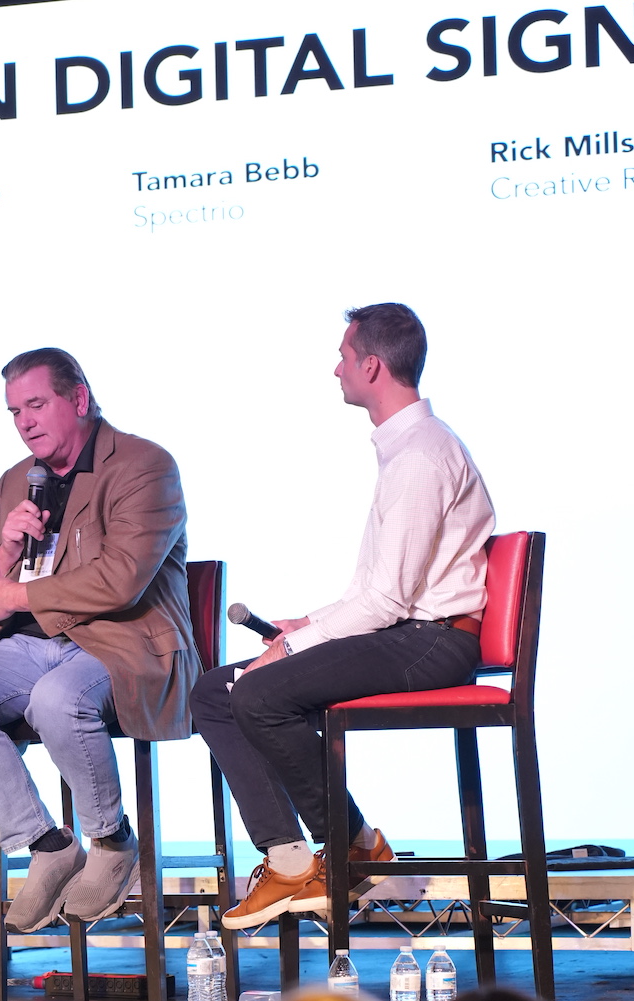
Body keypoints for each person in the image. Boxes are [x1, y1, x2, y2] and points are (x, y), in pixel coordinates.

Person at [192, 303, 496, 927]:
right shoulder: (405, 449)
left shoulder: (420, 456)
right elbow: (378, 589)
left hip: (433, 641)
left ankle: (353, 849)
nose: (336, 369)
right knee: (216, 692)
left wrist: (288, 650)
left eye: (343, 357)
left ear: (372, 365)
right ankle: (291, 862)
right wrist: (306, 626)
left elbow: (387, 602)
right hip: (409, 631)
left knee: (259, 693)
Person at [0, 348, 200, 932]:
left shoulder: (144, 464)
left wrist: (21, 595)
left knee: (58, 699)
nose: (24, 422)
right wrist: (5, 549)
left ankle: (112, 841)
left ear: (78, 399)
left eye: (36, 404)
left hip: (124, 640)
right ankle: (47, 845)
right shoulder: (18, 480)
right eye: (14, 411)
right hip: (35, 643)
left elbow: (122, 579)